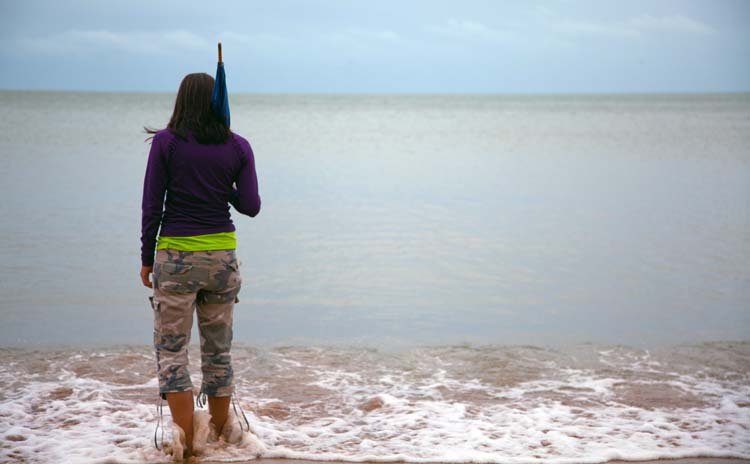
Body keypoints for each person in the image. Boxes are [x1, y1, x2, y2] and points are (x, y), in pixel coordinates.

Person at [139, 72, 261, 459]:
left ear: (181, 101)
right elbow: (251, 206)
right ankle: (222, 438)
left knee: (173, 351)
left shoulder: (166, 143)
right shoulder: (238, 146)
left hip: (176, 258)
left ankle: (189, 443)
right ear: (217, 102)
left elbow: (152, 205)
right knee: (218, 352)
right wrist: (221, 183)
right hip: (222, 259)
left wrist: (146, 258)